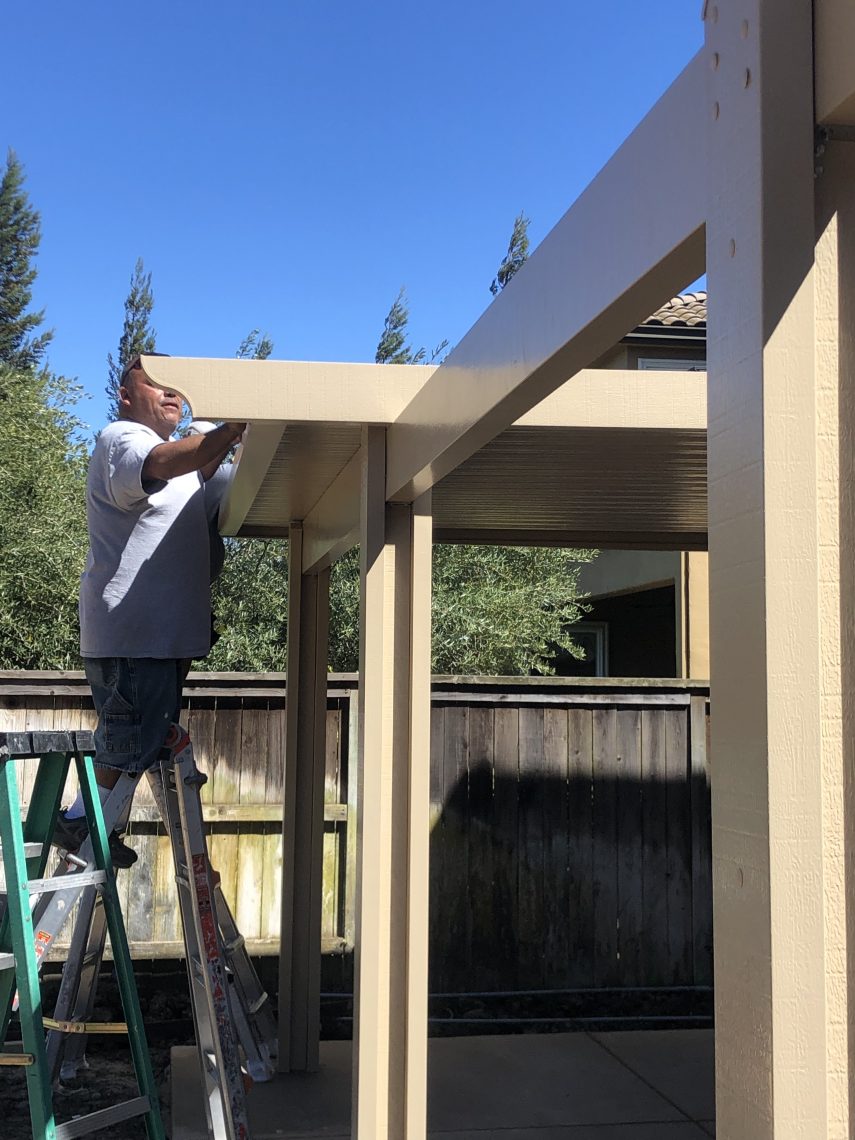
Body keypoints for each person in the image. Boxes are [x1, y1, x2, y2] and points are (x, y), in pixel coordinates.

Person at [53, 355, 245, 867]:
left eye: (176, 388)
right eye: (154, 383)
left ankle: (88, 822)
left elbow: (200, 465)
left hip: (159, 640)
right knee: (128, 746)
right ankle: (79, 825)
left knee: (136, 741)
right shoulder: (123, 439)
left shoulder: (184, 466)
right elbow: (166, 462)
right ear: (125, 394)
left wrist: (227, 438)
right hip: (135, 638)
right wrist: (232, 427)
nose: (169, 393)